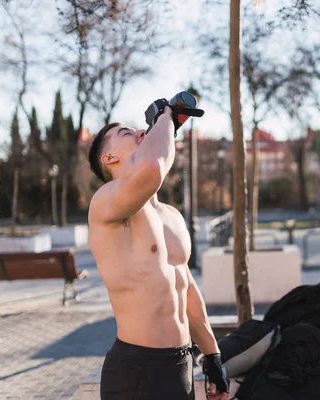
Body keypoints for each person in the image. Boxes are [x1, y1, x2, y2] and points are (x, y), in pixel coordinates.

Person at [88, 105, 229, 400]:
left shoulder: (171, 216)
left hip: (180, 364)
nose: (141, 132)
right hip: (136, 369)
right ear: (109, 158)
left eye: (142, 130)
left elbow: (185, 287)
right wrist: (166, 119)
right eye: (126, 133)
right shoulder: (106, 202)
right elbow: (152, 167)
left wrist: (211, 355)